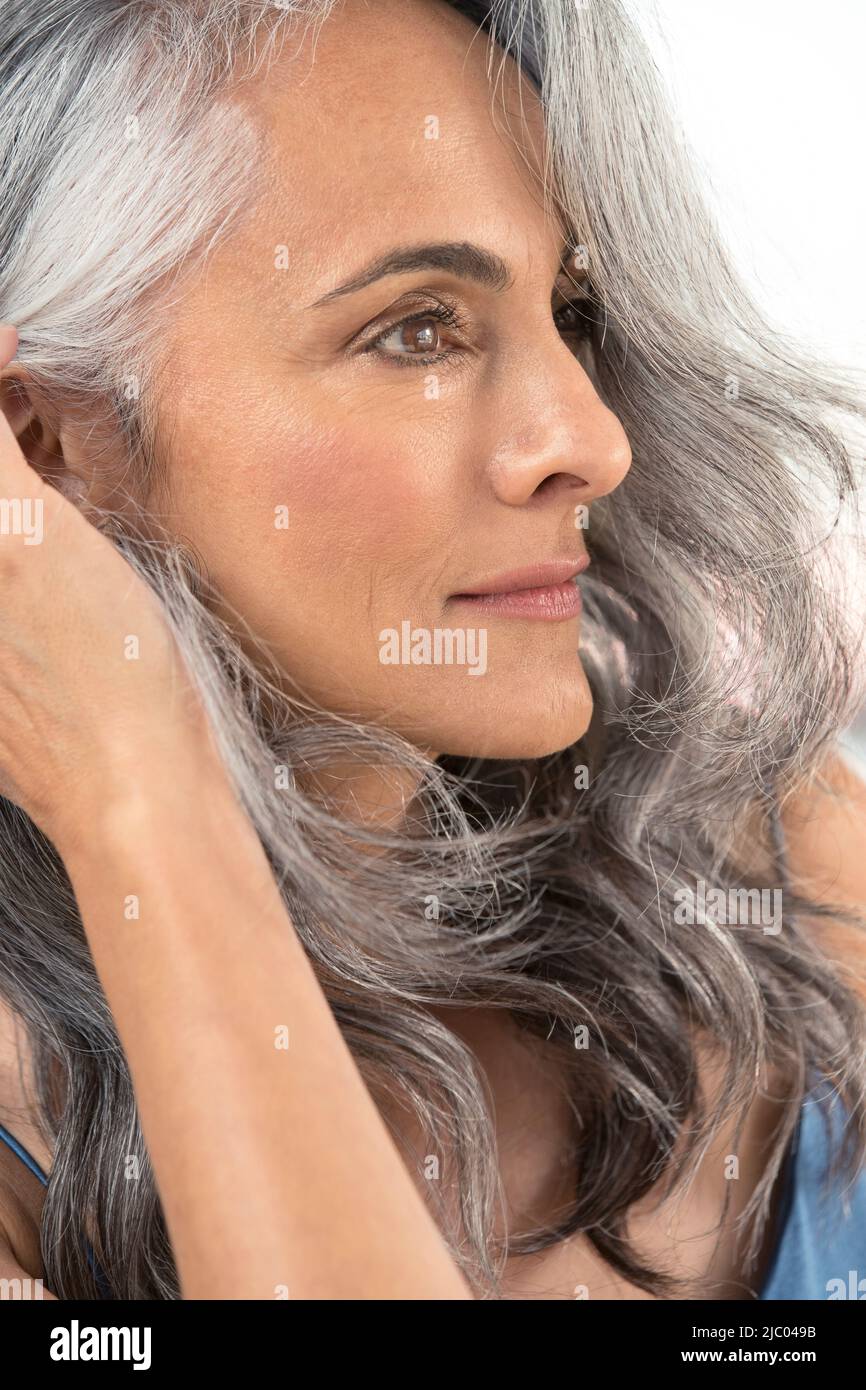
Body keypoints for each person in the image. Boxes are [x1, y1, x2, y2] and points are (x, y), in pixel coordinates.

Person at [0, 0, 864, 1301]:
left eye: (568, 310)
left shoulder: (764, 862)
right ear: (48, 448)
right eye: (419, 329)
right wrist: (138, 804)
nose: (589, 439)